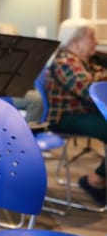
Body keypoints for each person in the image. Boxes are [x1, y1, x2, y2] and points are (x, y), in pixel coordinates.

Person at [45, 17, 107, 205]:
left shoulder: (86, 61)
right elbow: (90, 91)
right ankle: (96, 180)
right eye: (91, 38)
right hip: (68, 117)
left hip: (86, 113)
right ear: (75, 41)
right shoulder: (65, 62)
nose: (96, 42)